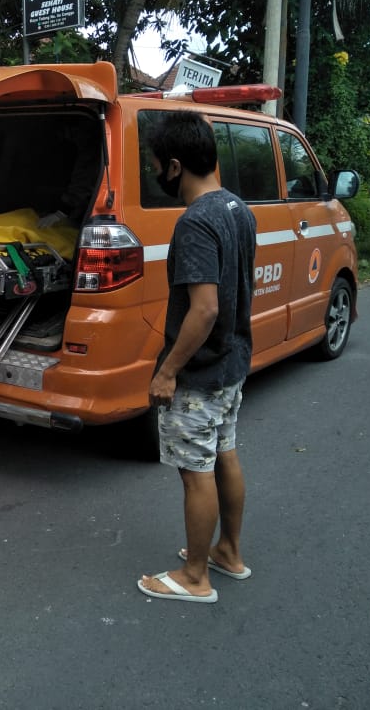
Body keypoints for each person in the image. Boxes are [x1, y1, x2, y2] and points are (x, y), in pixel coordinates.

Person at [138, 111, 256, 604]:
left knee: (196, 472)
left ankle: (194, 576)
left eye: (155, 164)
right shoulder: (238, 210)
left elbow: (204, 309)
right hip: (231, 365)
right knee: (223, 454)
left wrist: (168, 372)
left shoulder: (195, 223)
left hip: (201, 373)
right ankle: (227, 551)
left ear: (174, 166)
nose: (154, 172)